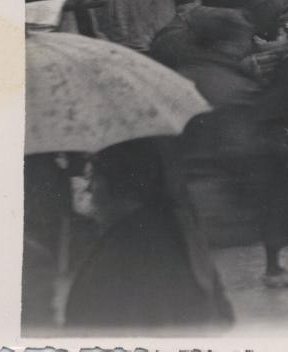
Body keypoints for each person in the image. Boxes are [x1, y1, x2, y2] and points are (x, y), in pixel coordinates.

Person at [177, 6, 288, 288]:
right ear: (226, 43)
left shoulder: (180, 75)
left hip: (185, 186)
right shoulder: (233, 86)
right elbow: (242, 146)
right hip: (222, 193)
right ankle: (272, 270)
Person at [64, 138, 233, 334]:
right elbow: (223, 314)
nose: (89, 189)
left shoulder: (123, 251)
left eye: (93, 177)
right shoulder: (179, 232)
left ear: (117, 185)